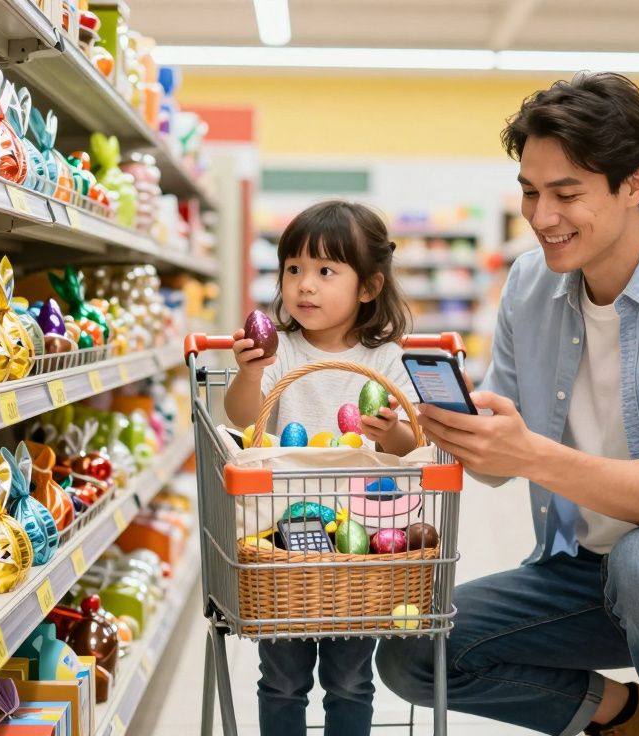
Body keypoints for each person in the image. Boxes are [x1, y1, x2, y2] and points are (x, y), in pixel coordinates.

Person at [375, 73, 639, 736]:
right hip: (585, 574)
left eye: (566, 193)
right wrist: (438, 434)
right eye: (529, 192)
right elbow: (500, 460)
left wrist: (531, 454)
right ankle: (629, 718)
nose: (541, 217)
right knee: (415, 650)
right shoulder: (530, 285)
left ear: (634, 184)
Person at [223, 199, 420, 736]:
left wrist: (392, 432)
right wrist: (249, 374)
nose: (304, 285)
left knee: (351, 680)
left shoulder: (387, 360)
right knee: (282, 678)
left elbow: (409, 449)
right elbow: (245, 421)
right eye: (294, 270)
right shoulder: (281, 351)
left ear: (369, 287)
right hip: (282, 539)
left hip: (363, 541)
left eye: (325, 271)